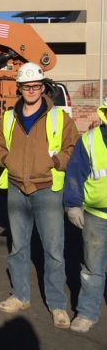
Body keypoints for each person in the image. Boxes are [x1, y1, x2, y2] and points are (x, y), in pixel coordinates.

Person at [0, 62, 79, 329]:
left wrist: (55, 162)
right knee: (18, 247)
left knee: (53, 250)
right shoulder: (8, 117)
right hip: (17, 188)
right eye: (26, 86)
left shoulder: (59, 117)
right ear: (20, 88)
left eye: (36, 86)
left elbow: (72, 147)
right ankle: (20, 295)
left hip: (48, 189)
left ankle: (57, 304)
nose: (31, 90)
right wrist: (9, 161)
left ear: (43, 87)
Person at [64, 101, 107, 333]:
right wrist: (73, 204)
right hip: (98, 216)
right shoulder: (90, 140)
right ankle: (88, 312)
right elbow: (75, 173)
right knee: (92, 268)